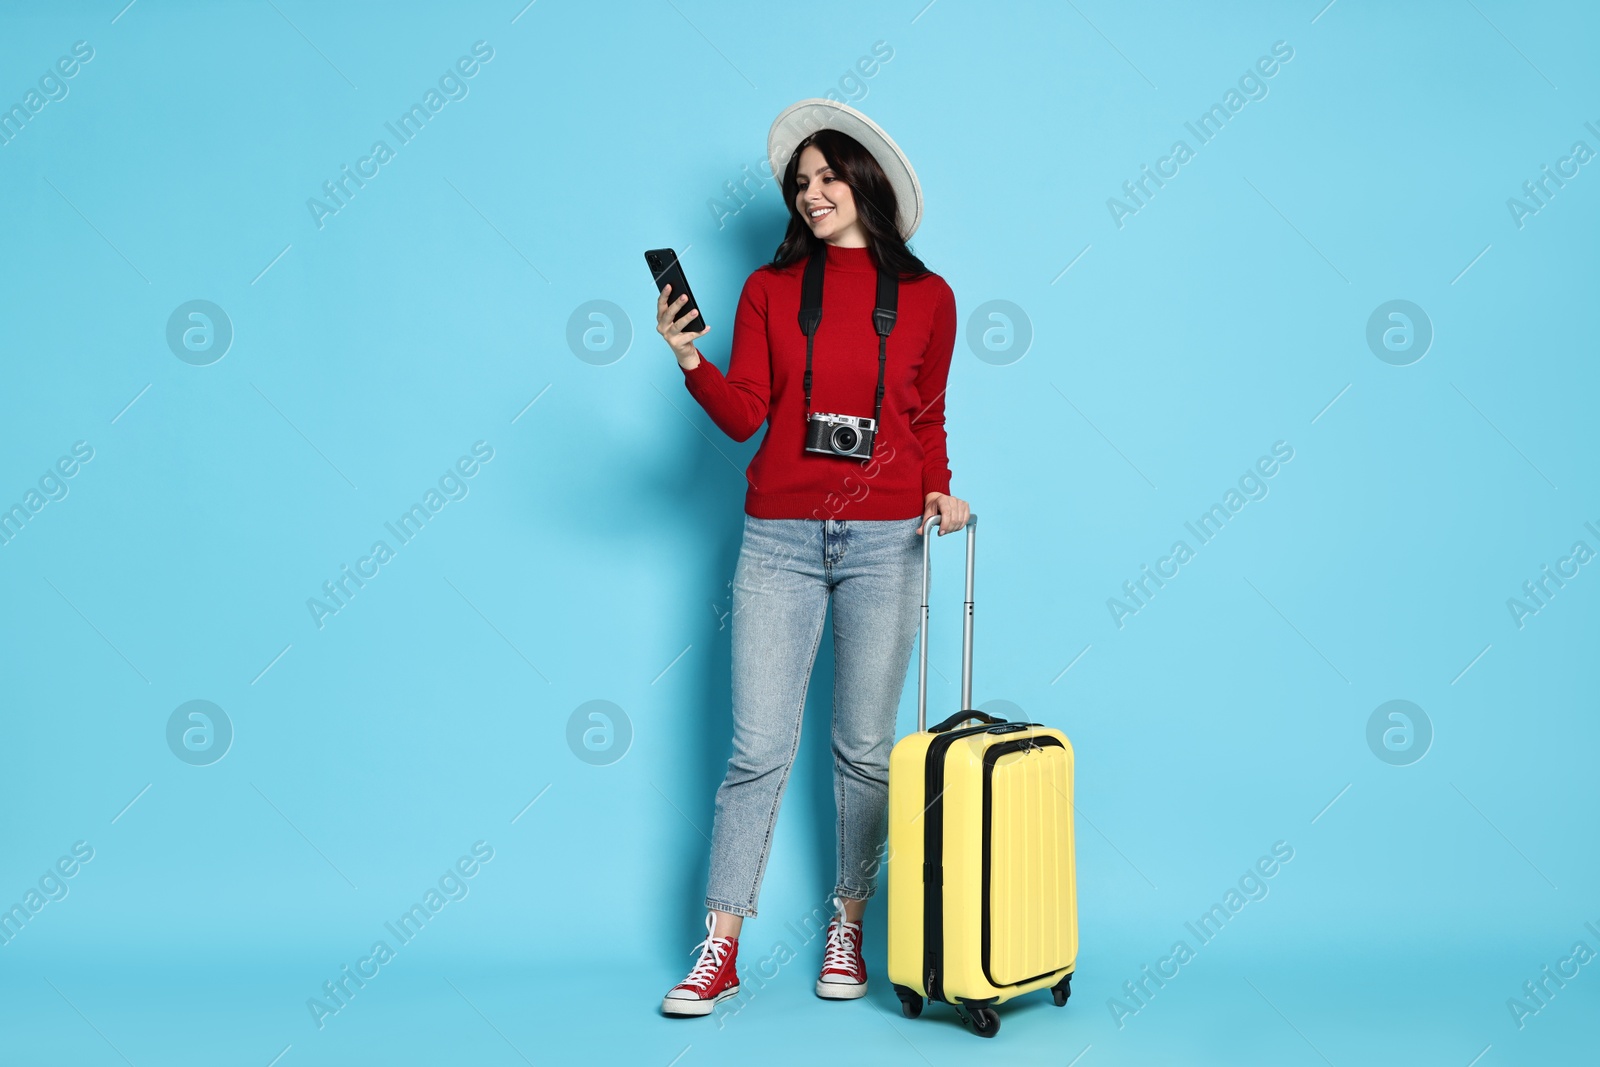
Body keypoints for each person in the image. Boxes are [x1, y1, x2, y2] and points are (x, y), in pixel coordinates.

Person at [655, 99, 969, 1018]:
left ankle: (848, 926)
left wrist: (940, 485)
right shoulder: (764, 290)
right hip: (779, 534)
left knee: (865, 750)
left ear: (864, 181)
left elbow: (926, 416)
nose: (812, 192)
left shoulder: (930, 297)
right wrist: (690, 364)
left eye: (828, 176)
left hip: (888, 534)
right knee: (757, 749)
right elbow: (748, 413)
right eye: (801, 183)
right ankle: (720, 947)